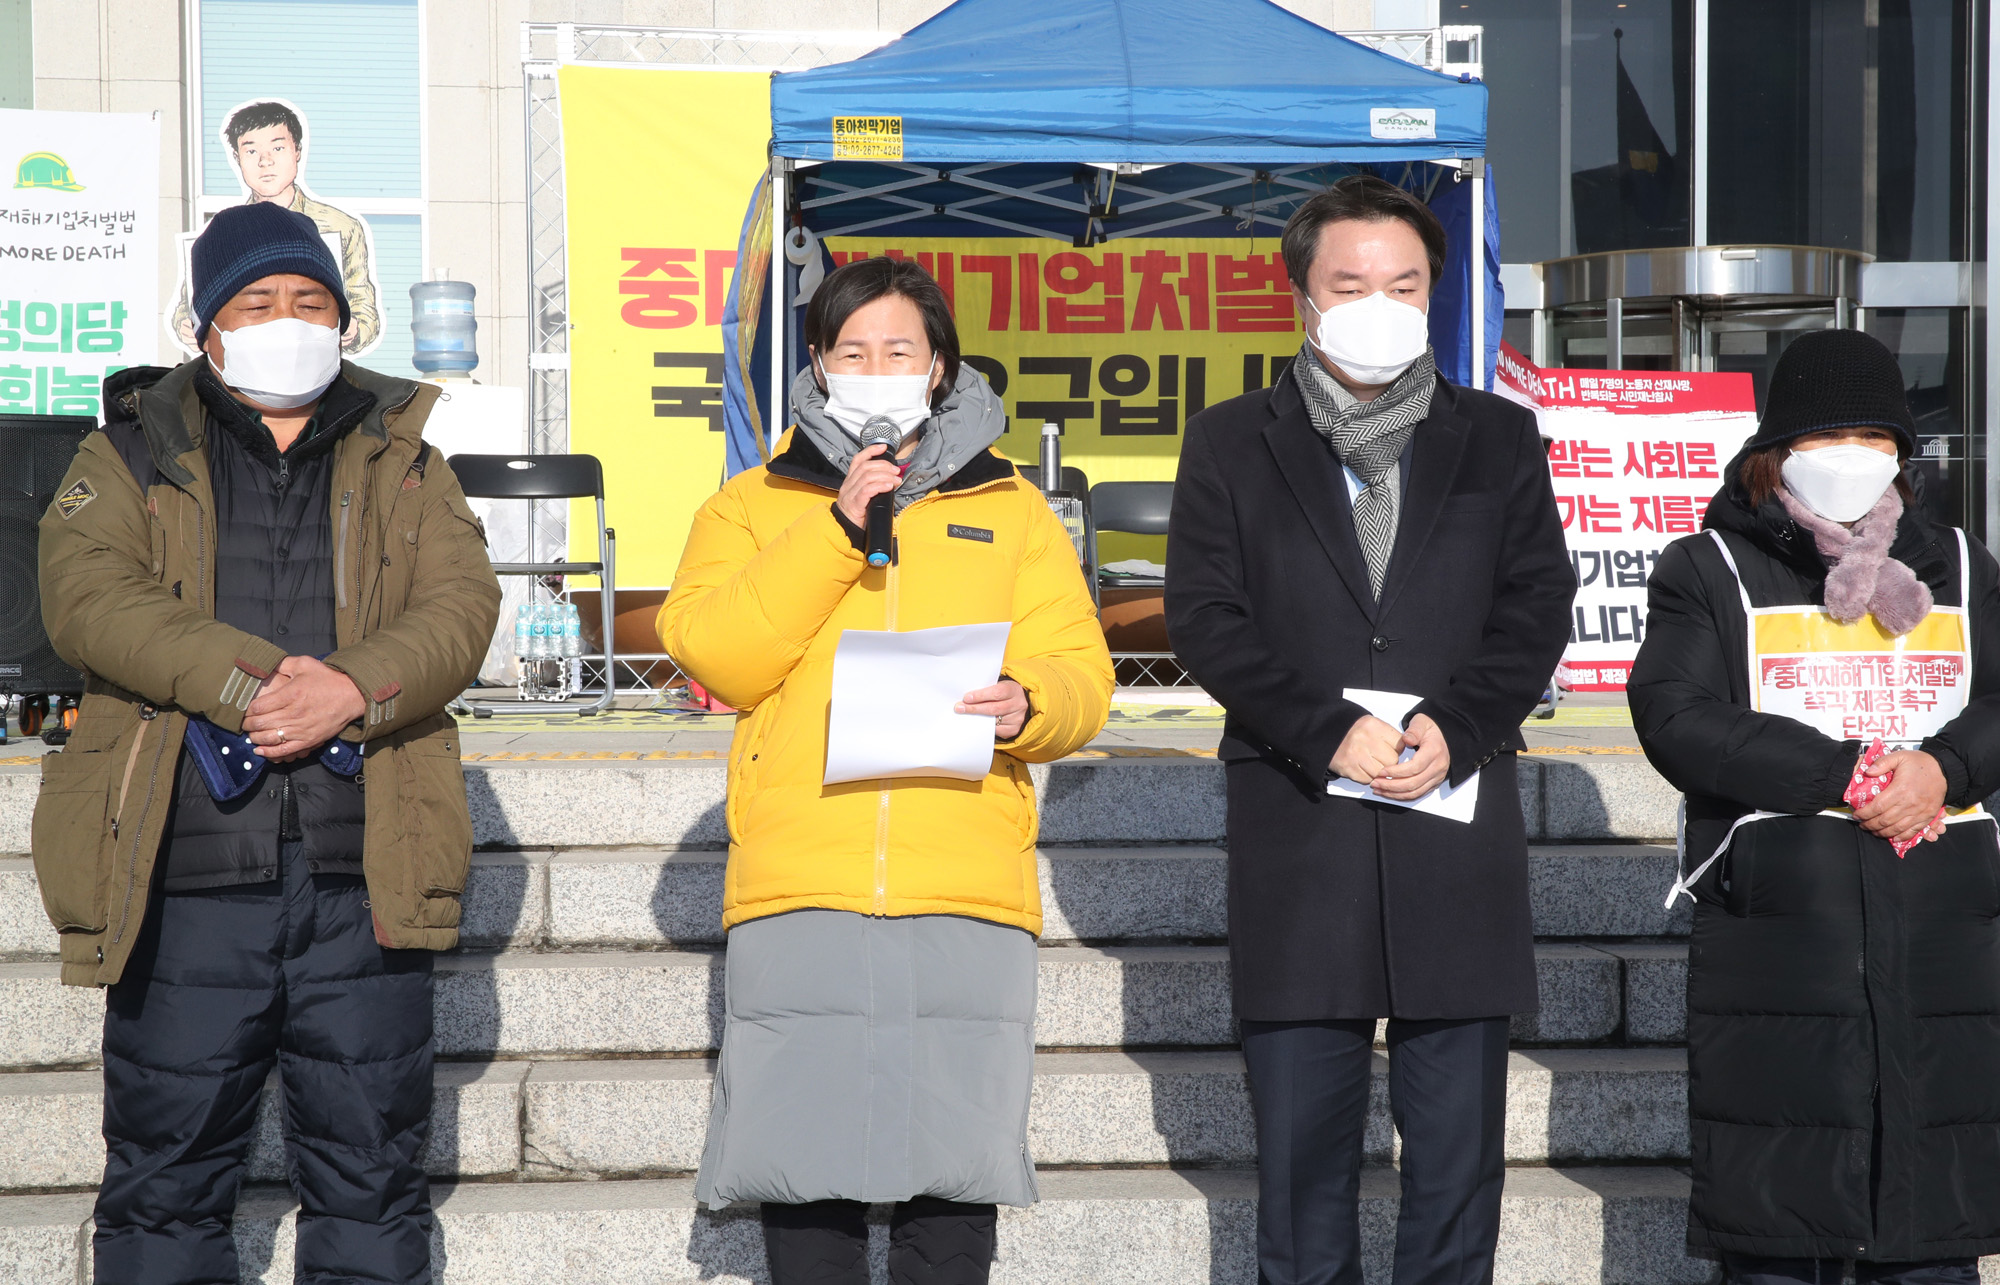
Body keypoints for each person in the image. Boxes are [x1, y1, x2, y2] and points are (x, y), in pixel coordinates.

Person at [33, 198, 501, 1284]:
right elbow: (87, 598)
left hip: (362, 864)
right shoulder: (129, 451)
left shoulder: (407, 460)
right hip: (182, 865)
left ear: (343, 322)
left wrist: (350, 685)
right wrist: (256, 685)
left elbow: (460, 606)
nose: (288, 319)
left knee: (372, 1178)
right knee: (165, 1178)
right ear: (208, 328)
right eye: (258, 301)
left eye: (310, 301)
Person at [658, 255, 1112, 1285]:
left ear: (938, 367)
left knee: (950, 1172)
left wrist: (1027, 700)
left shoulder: (1012, 510)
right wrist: (831, 528)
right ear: (816, 367)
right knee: (803, 1167)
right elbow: (717, 652)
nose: (874, 367)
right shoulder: (750, 504)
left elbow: (1083, 673)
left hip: (964, 877)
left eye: (897, 349)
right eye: (849, 350)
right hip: (799, 877)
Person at [1164, 175, 1576, 1285]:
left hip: (1452, 817)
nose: (1377, 302)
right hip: (1301, 819)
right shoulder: (1228, 442)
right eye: (1349, 282)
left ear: (1433, 292)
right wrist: (1320, 728)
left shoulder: (1495, 436)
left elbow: (1535, 602)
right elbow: (1205, 616)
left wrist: (1463, 722)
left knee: (1454, 1167)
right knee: (1300, 1164)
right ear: (1300, 292)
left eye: (1403, 282)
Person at [1630, 328, 2000, 1284]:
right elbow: (1677, 715)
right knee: (1778, 1241)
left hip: (1942, 932)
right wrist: (1847, 773)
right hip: (1782, 944)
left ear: (1903, 456)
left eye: (1874, 437)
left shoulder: (1960, 562)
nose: (1853, 457)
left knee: (1930, 1235)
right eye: (1827, 434)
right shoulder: (1707, 566)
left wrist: (1946, 770)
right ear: (1775, 451)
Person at [172, 100, 382, 354]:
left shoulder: (342, 226)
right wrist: (186, 325)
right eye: (251, 152)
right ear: (237, 158)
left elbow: (364, 306)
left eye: (278, 148)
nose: (265, 161)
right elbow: (188, 305)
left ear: (298, 151)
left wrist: (354, 329)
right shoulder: (220, 235)